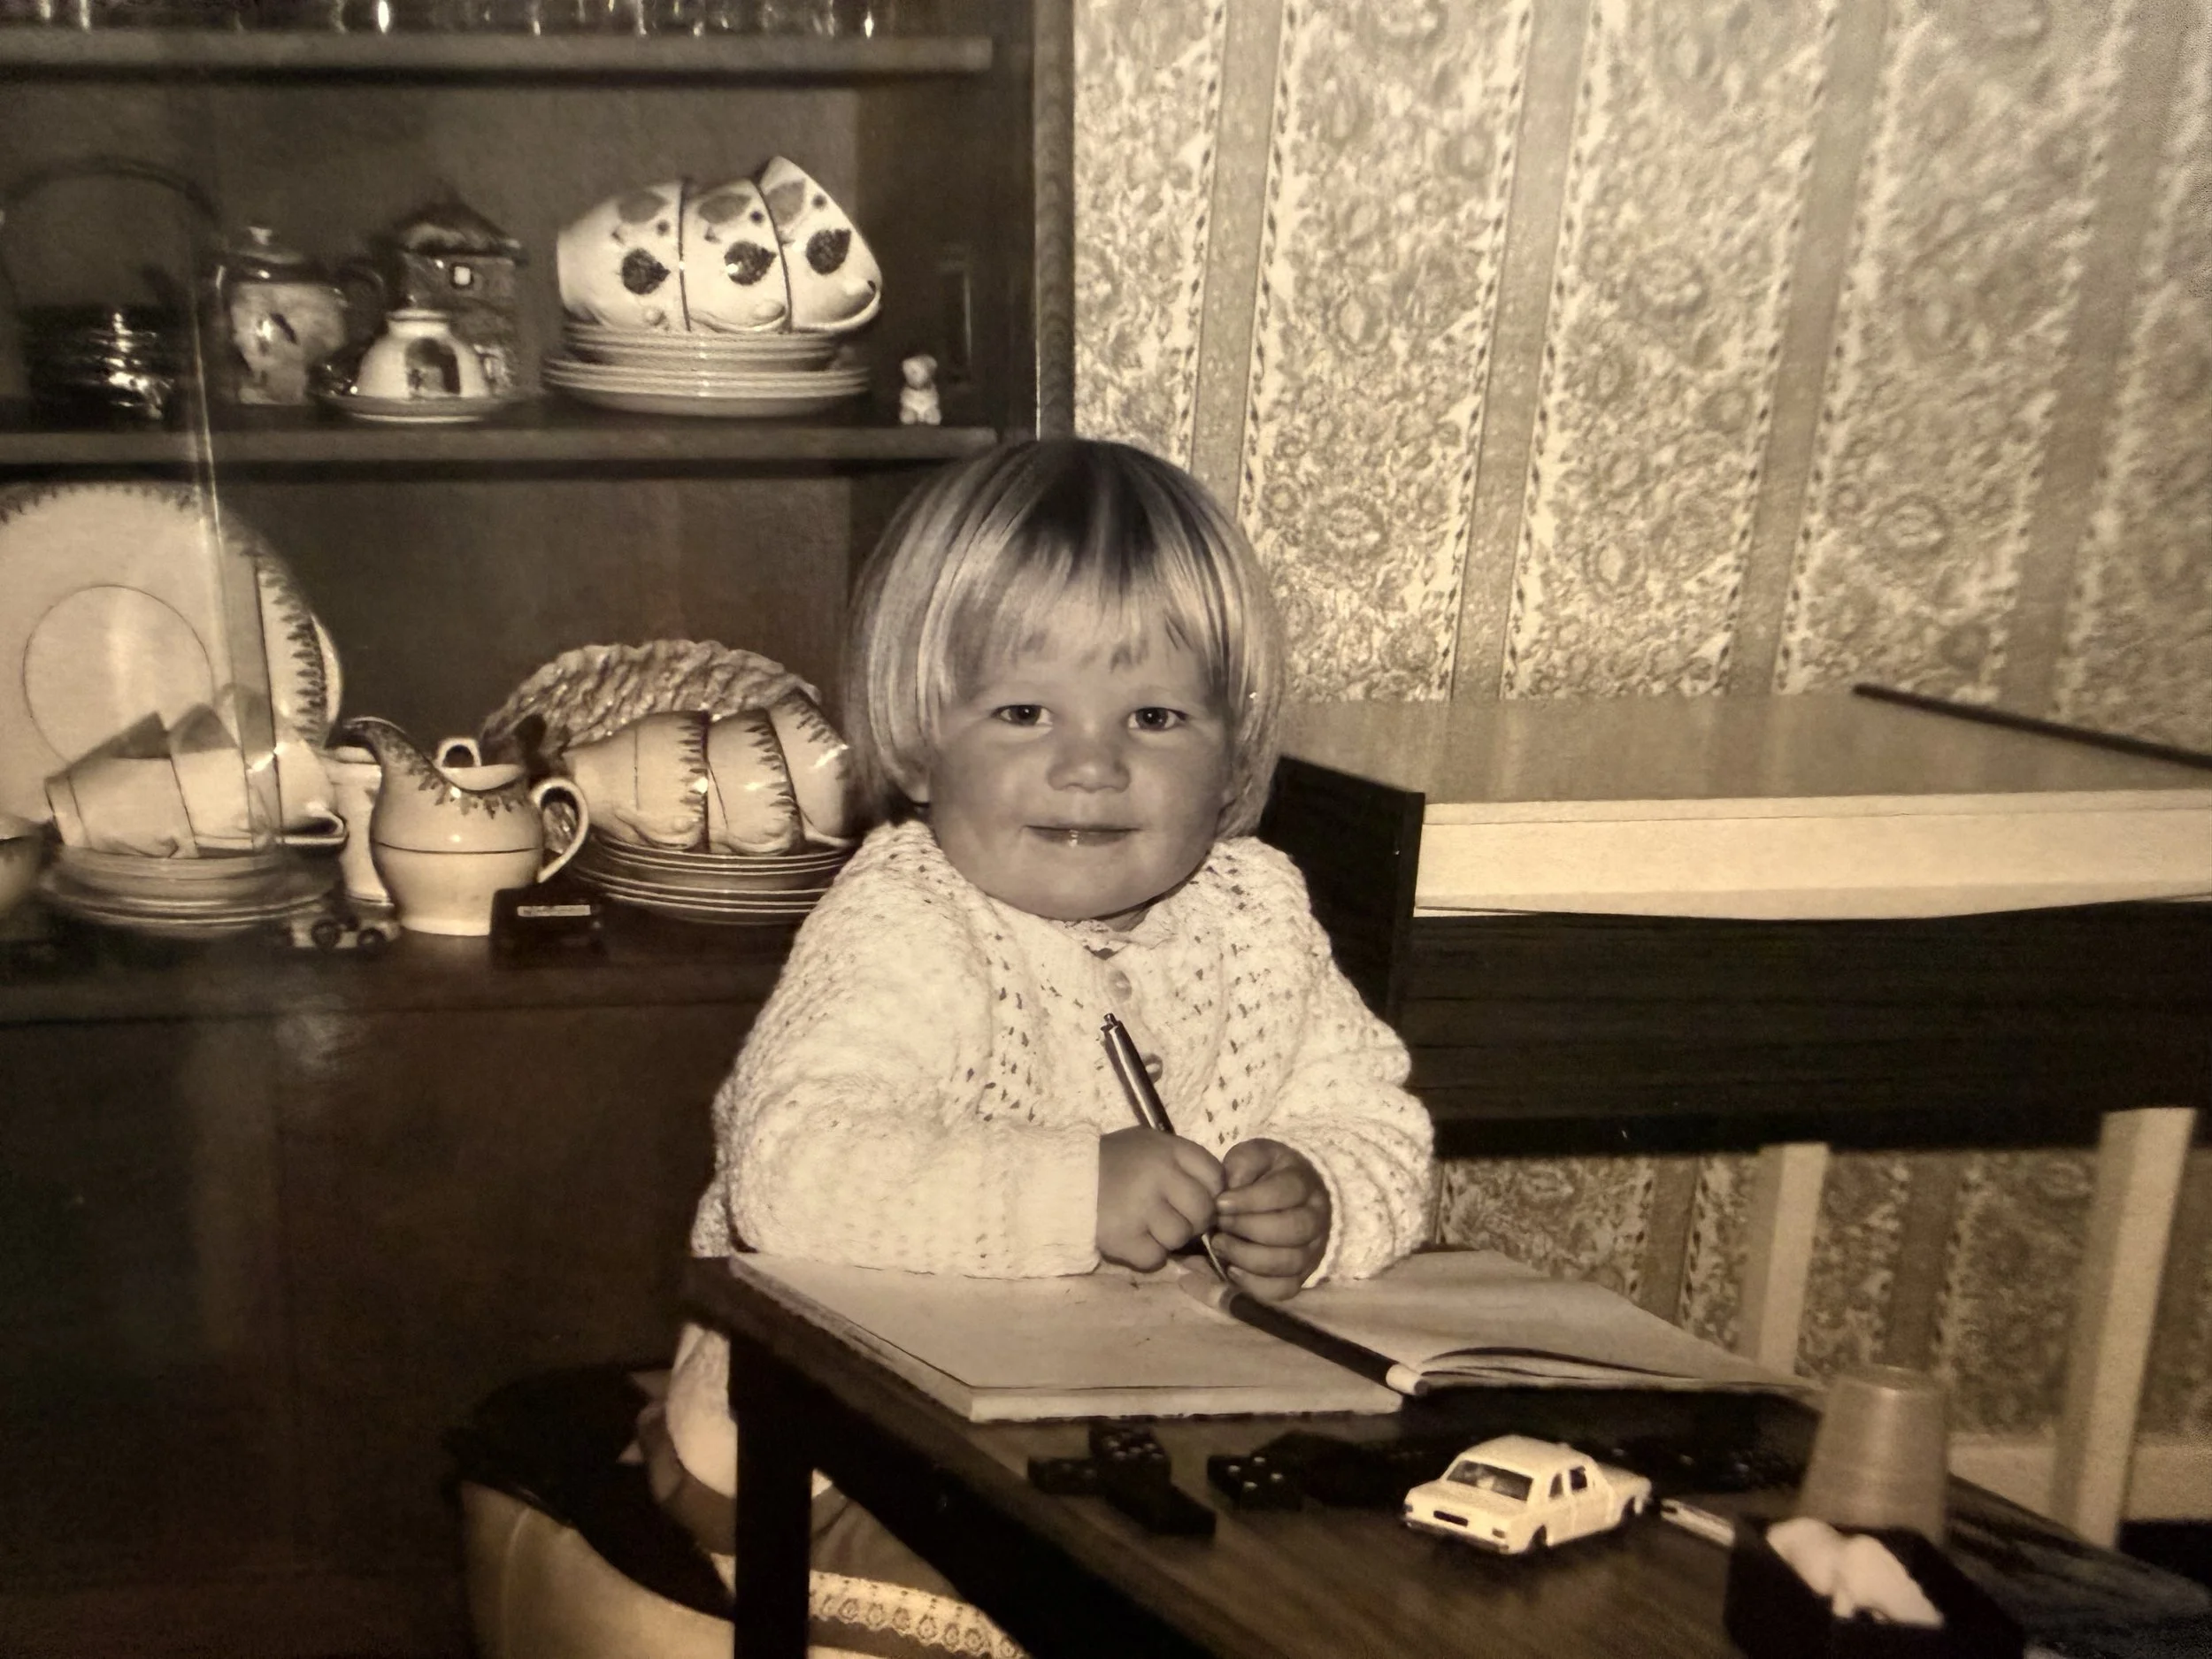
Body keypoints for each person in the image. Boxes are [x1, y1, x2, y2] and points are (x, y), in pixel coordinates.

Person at [645, 436, 1434, 1645]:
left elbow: (1379, 1122)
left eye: (1157, 715)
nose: (1091, 763)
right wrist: (1073, 1190)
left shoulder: (1260, 912)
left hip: (1111, 1416)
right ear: (921, 736)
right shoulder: (906, 916)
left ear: (1231, 758)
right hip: (815, 1444)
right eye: (1023, 709)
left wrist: (1323, 1194)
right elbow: (790, 1170)